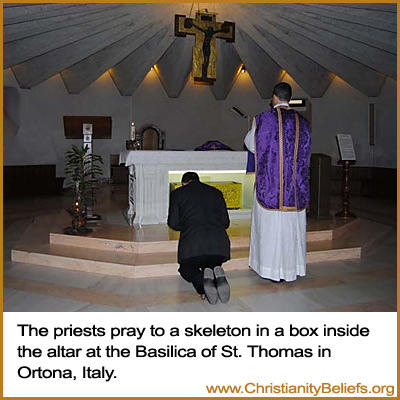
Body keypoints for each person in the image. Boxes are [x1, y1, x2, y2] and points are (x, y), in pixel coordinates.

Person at [244, 82, 311, 282]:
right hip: (295, 187)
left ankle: (270, 270)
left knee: (270, 228)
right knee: (291, 228)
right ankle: (293, 269)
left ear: (274, 97)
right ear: (289, 98)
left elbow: (250, 144)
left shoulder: (263, 120)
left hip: (270, 184)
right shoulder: (303, 122)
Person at [167, 172, 231, 304]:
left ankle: (202, 284)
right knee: (210, 263)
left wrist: (187, 227)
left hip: (193, 244)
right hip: (219, 245)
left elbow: (173, 223)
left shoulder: (178, 193)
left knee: (186, 269)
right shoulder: (216, 192)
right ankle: (216, 272)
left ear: (184, 183)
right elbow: (226, 223)